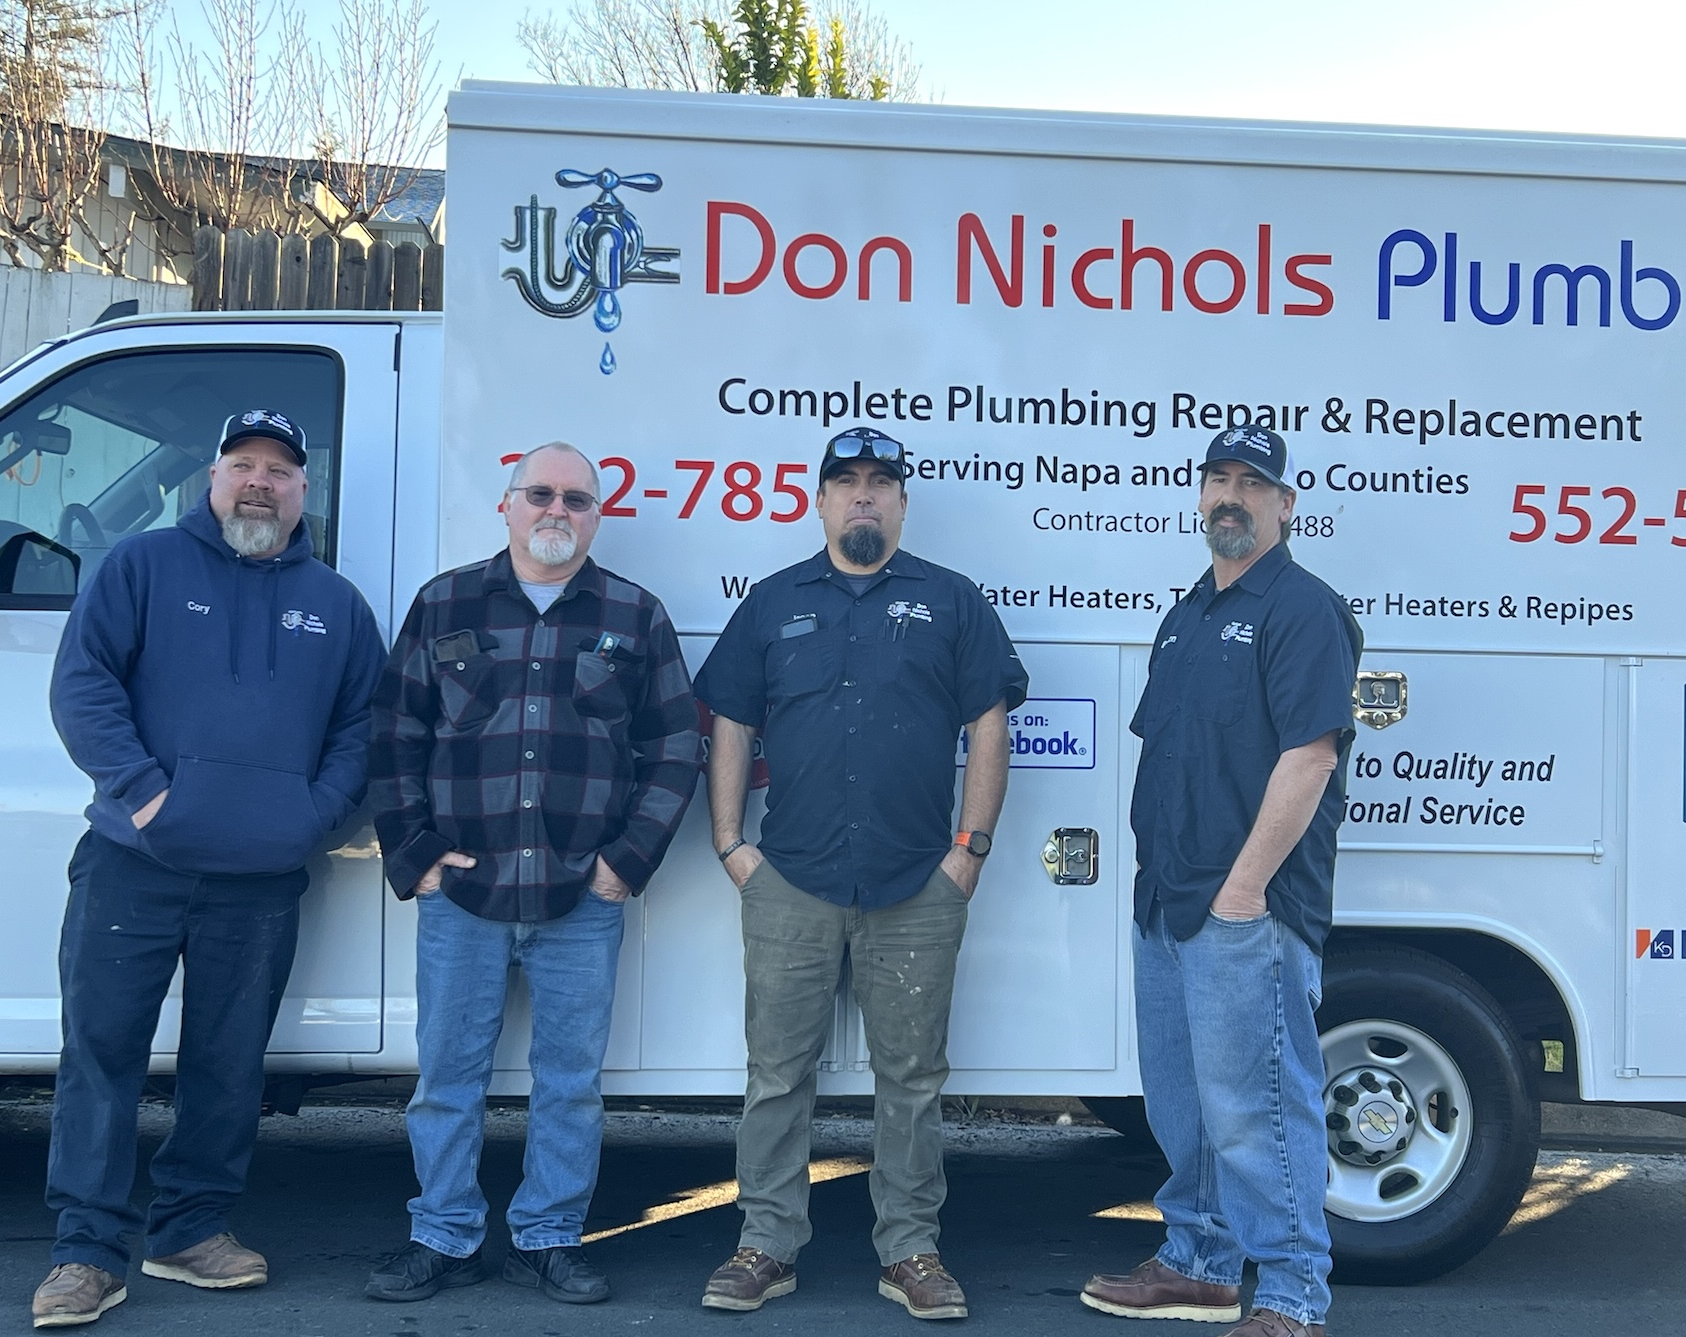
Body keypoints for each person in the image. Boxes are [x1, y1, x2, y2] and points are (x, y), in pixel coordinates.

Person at [36, 409, 386, 1328]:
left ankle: (190, 1228)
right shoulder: (141, 567)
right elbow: (83, 684)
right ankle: (85, 1251)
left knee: (229, 1064)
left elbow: (363, 731)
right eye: (243, 464)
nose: (260, 482)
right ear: (213, 476)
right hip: (131, 861)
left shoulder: (338, 604)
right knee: (101, 1055)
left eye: (279, 469)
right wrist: (144, 793)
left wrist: (311, 820)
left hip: (262, 877)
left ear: (305, 490)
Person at [691, 426, 1028, 1322]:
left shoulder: (952, 602)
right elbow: (729, 719)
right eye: (847, 482)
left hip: (918, 881)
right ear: (821, 499)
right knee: (776, 1074)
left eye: (882, 482)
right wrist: (732, 844)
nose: (865, 496)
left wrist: (971, 852)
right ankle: (765, 1243)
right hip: (789, 879)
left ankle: (910, 1251)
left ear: (904, 503)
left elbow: (989, 725)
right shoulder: (771, 603)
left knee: (912, 1077)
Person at [364, 442, 702, 1308]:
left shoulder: (635, 614)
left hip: (580, 899)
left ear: (598, 515)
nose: (558, 510)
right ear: (508, 505)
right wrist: (416, 853)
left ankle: (548, 1236)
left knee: (570, 1085)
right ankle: (442, 1234)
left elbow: (674, 748)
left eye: (578, 499)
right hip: (462, 899)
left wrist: (626, 864)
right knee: (445, 1081)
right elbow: (394, 736)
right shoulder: (445, 603)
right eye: (541, 494)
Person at [1081, 425, 1361, 1337]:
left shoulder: (1303, 609)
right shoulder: (1187, 614)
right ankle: (1200, 1262)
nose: (1230, 496)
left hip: (1246, 910)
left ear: (1286, 505)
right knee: (1183, 1102)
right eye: (1217, 480)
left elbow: (1310, 758)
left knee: (1259, 1109)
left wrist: (1242, 892)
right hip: (1167, 900)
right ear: (1199, 498)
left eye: (1252, 482)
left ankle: (1290, 1295)